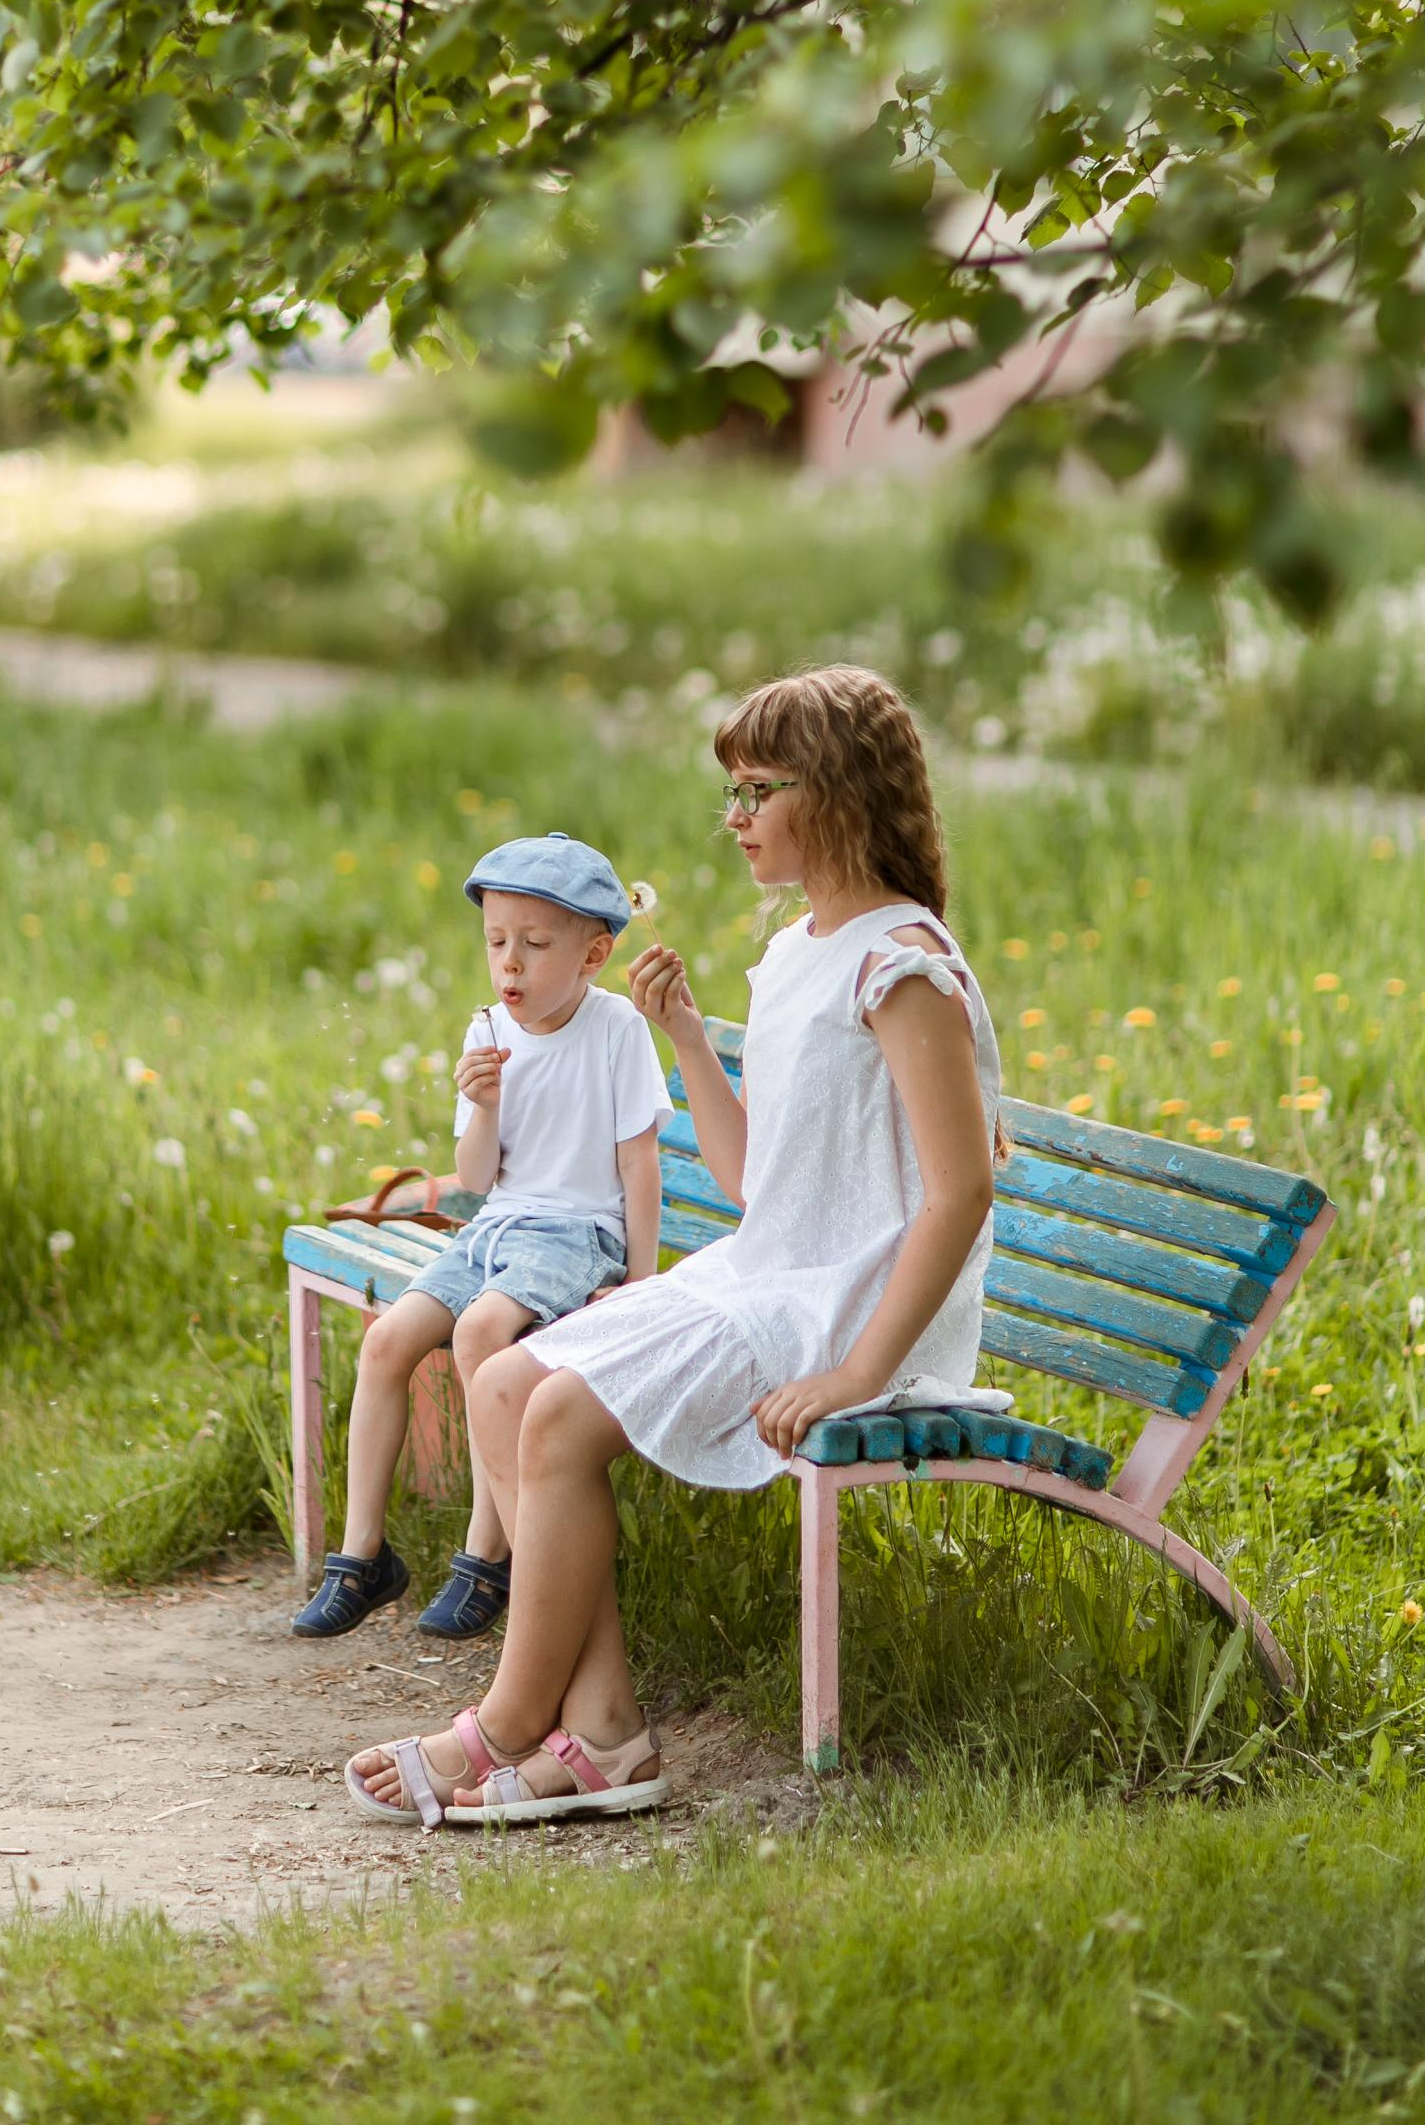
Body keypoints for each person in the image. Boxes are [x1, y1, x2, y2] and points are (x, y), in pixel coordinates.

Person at [344, 663, 1002, 1826]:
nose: (734, 818)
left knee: (545, 1410)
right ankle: (602, 1732)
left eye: (758, 789)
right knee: (502, 1383)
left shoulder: (902, 965)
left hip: (848, 1313)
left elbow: (955, 1197)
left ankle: (503, 1726)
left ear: (838, 792)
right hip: (769, 1271)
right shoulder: (801, 948)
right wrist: (689, 1040)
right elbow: (754, 1182)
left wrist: (853, 1375)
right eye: (731, 792)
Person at [293, 831, 667, 1643]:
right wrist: (485, 1103)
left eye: (534, 946)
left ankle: (485, 1558)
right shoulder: (487, 1031)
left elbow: (639, 1165)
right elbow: (472, 1177)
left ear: (594, 953)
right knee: (388, 1342)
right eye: (496, 943)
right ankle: (363, 1557)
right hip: (496, 1229)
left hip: (576, 1236)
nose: (510, 965)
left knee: (481, 1332)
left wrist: (642, 1281)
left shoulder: (616, 1032)